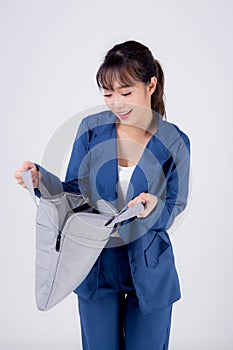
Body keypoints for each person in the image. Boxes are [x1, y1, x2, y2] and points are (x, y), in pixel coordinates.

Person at [14, 40, 191, 350]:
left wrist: (152, 209)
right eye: (108, 95)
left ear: (150, 85)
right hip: (96, 263)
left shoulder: (174, 140)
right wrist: (41, 180)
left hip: (150, 266)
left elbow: (175, 203)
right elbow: (75, 192)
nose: (117, 104)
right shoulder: (91, 130)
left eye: (126, 93)